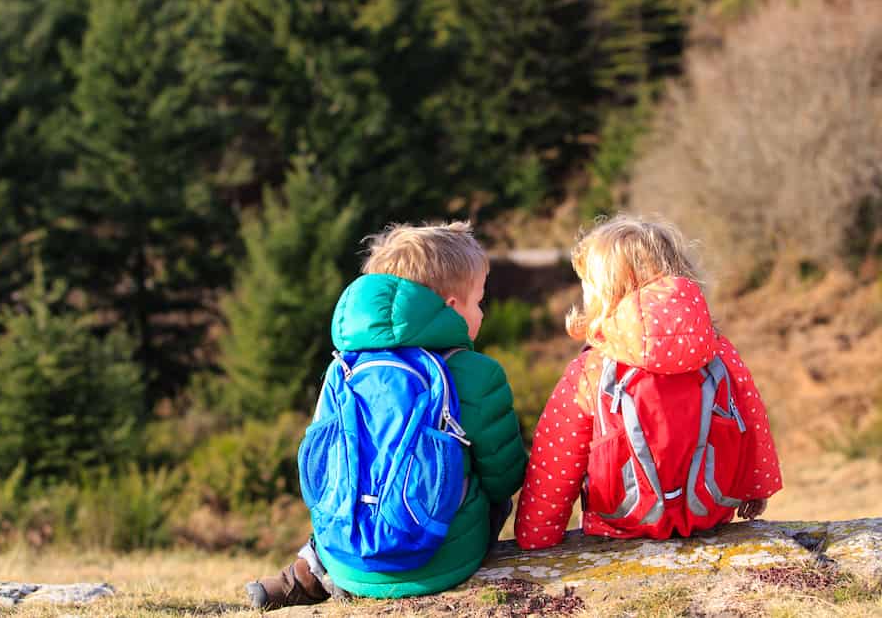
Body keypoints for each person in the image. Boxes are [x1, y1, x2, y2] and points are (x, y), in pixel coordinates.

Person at [247, 221, 526, 609]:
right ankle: (389, 569)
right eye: (479, 301)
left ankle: (307, 573)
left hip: (346, 554)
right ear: (451, 306)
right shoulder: (476, 372)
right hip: (437, 560)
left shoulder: (341, 369)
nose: (481, 311)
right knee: (492, 492)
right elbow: (504, 475)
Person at [515, 214, 782, 550]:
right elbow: (752, 418)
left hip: (622, 522)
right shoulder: (716, 350)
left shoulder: (593, 367)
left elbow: (555, 461)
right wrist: (756, 490)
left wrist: (536, 537)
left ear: (603, 293)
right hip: (709, 510)